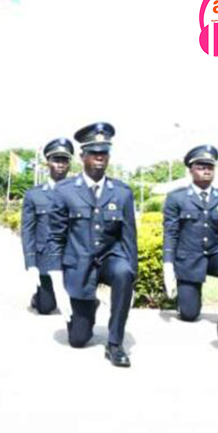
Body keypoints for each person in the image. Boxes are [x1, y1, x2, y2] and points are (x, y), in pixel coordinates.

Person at [46, 122, 137, 367]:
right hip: (79, 264)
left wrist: (132, 278)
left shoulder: (122, 192)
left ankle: (115, 343)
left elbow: (129, 238)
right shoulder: (65, 191)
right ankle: (88, 305)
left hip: (110, 259)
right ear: (82, 155)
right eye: (94, 153)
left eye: (104, 153)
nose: (99, 158)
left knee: (124, 273)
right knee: (78, 339)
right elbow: (55, 238)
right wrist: (57, 283)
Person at [162, 145, 218, 334]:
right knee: (189, 314)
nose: (206, 170)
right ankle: (187, 300)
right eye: (201, 166)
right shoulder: (176, 198)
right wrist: (168, 265)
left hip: (216, 253)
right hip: (190, 258)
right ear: (191, 170)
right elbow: (171, 232)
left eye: (210, 167)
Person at [21, 138, 73, 315]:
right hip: (46, 258)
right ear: (48, 163)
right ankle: (38, 297)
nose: (60, 165)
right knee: (46, 307)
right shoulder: (34, 195)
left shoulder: (78, 193)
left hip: (71, 259)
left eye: (64, 161)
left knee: (78, 304)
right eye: (56, 160)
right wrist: (30, 264)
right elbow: (28, 231)